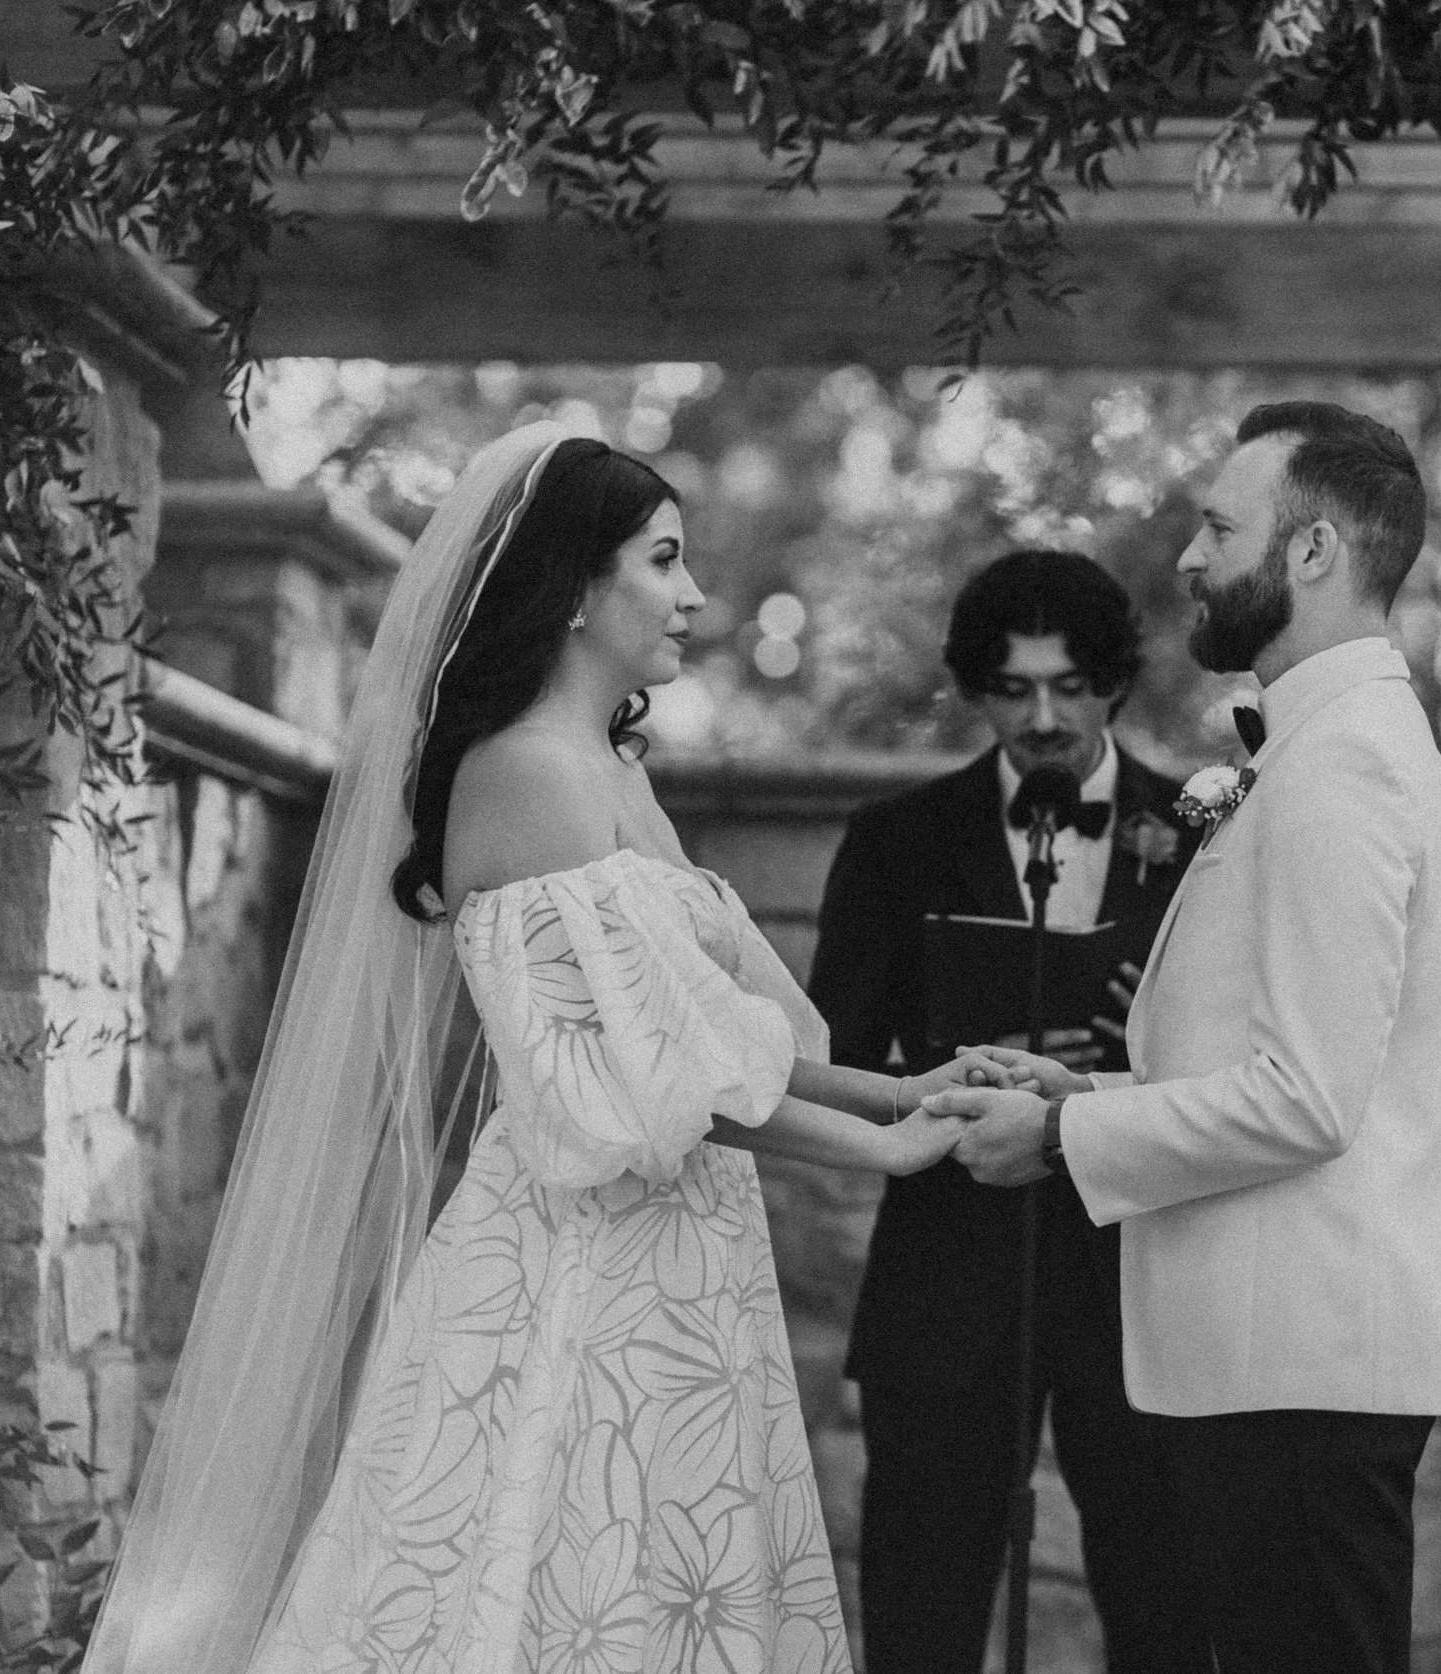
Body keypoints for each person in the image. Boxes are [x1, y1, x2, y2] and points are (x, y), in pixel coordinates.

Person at [84, 424, 1000, 1674]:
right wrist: (885, 1149)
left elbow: (717, 1036)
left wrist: (905, 1084)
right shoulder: (525, 775)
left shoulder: (612, 767)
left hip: (678, 1256)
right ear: (577, 587)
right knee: (559, 1590)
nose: (694, 596)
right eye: (664, 561)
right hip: (586, 1272)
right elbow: (653, 1086)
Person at [933, 403, 1441, 1674]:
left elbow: (1306, 1099)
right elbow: (1278, 1055)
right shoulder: (1315, 746)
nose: (1188, 556)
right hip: (1275, 1364)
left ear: (1309, 554)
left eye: (1219, 524)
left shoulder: (1342, 766)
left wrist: (1068, 1134)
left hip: (1301, 1368)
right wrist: (1085, 1085)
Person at [807, 550, 1207, 1674]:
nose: (1040, 717)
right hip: (947, 1281)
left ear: (1114, 683)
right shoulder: (896, 839)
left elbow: (1253, 1064)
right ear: (975, 689)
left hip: (1140, 1277)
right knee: (920, 1616)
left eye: (1068, 687)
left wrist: (1142, 1050)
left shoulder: (1203, 830)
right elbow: (831, 1054)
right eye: (1013, 689)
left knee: (1168, 1610)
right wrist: (961, 1070)